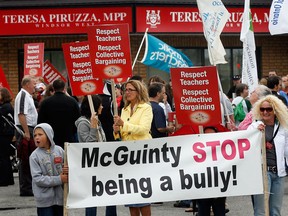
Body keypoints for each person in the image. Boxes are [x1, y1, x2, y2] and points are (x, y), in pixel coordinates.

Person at [113, 80, 152, 216]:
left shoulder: (146, 108)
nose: (127, 92)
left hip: (142, 154)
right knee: (130, 194)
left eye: (130, 90)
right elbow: (122, 133)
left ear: (138, 91)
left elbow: (144, 129)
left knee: (143, 193)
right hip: (127, 156)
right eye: (126, 90)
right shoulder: (124, 109)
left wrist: (124, 124)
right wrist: (116, 130)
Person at [75, 95, 117, 216]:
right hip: (91, 164)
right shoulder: (83, 123)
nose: (102, 107)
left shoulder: (97, 120)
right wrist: (93, 127)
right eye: (100, 105)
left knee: (111, 192)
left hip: (103, 162)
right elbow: (89, 145)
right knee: (92, 196)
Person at [247, 95, 288, 216]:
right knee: (261, 211)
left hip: (279, 174)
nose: (265, 112)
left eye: (269, 109)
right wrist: (256, 134)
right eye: (262, 109)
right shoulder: (254, 126)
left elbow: (286, 150)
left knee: (275, 211)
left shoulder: (283, 128)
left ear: (275, 110)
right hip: (262, 173)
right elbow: (246, 145)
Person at [29, 123, 68, 216]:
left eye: (40, 134)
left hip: (60, 198)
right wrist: (59, 179)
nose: (36, 137)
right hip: (44, 201)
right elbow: (37, 179)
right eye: (35, 135)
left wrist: (67, 170)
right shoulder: (34, 156)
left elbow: (67, 168)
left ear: (49, 135)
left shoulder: (59, 151)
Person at [38, 79, 80, 149]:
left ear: (54, 88)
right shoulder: (72, 101)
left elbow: (40, 121)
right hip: (68, 137)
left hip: (51, 138)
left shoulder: (45, 102)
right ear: (64, 88)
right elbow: (78, 120)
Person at [14, 75, 38, 196]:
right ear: (27, 84)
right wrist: (26, 132)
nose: (35, 86)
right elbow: (21, 114)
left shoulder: (27, 96)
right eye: (34, 83)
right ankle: (26, 188)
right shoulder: (23, 95)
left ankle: (28, 186)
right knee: (25, 158)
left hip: (29, 128)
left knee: (29, 158)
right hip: (25, 129)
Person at [197, 126, 226, 216]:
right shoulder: (196, 154)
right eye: (206, 135)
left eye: (211, 136)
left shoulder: (223, 152)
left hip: (218, 188)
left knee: (219, 212)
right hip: (202, 189)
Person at [0, 87, 15, 186]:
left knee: (2, 157)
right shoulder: (7, 106)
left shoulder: (4, 108)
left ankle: (3, 180)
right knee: (5, 157)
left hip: (4, 134)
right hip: (7, 134)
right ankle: (8, 179)